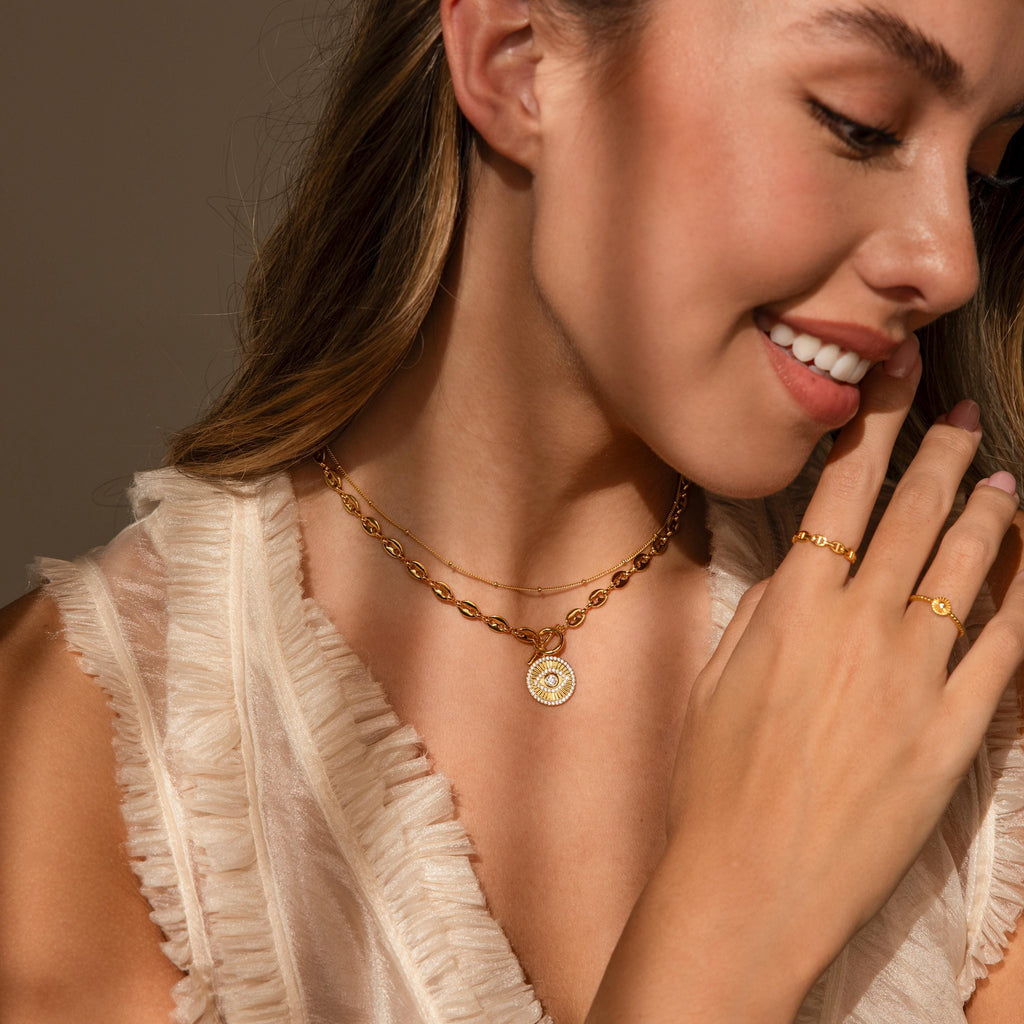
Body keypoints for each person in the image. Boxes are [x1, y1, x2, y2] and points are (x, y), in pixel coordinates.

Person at [3, 0, 1024, 1020]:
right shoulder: (72, 755)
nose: (947, 264)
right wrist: (729, 928)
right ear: (517, 62)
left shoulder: (977, 663)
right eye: (861, 122)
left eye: (982, 172)